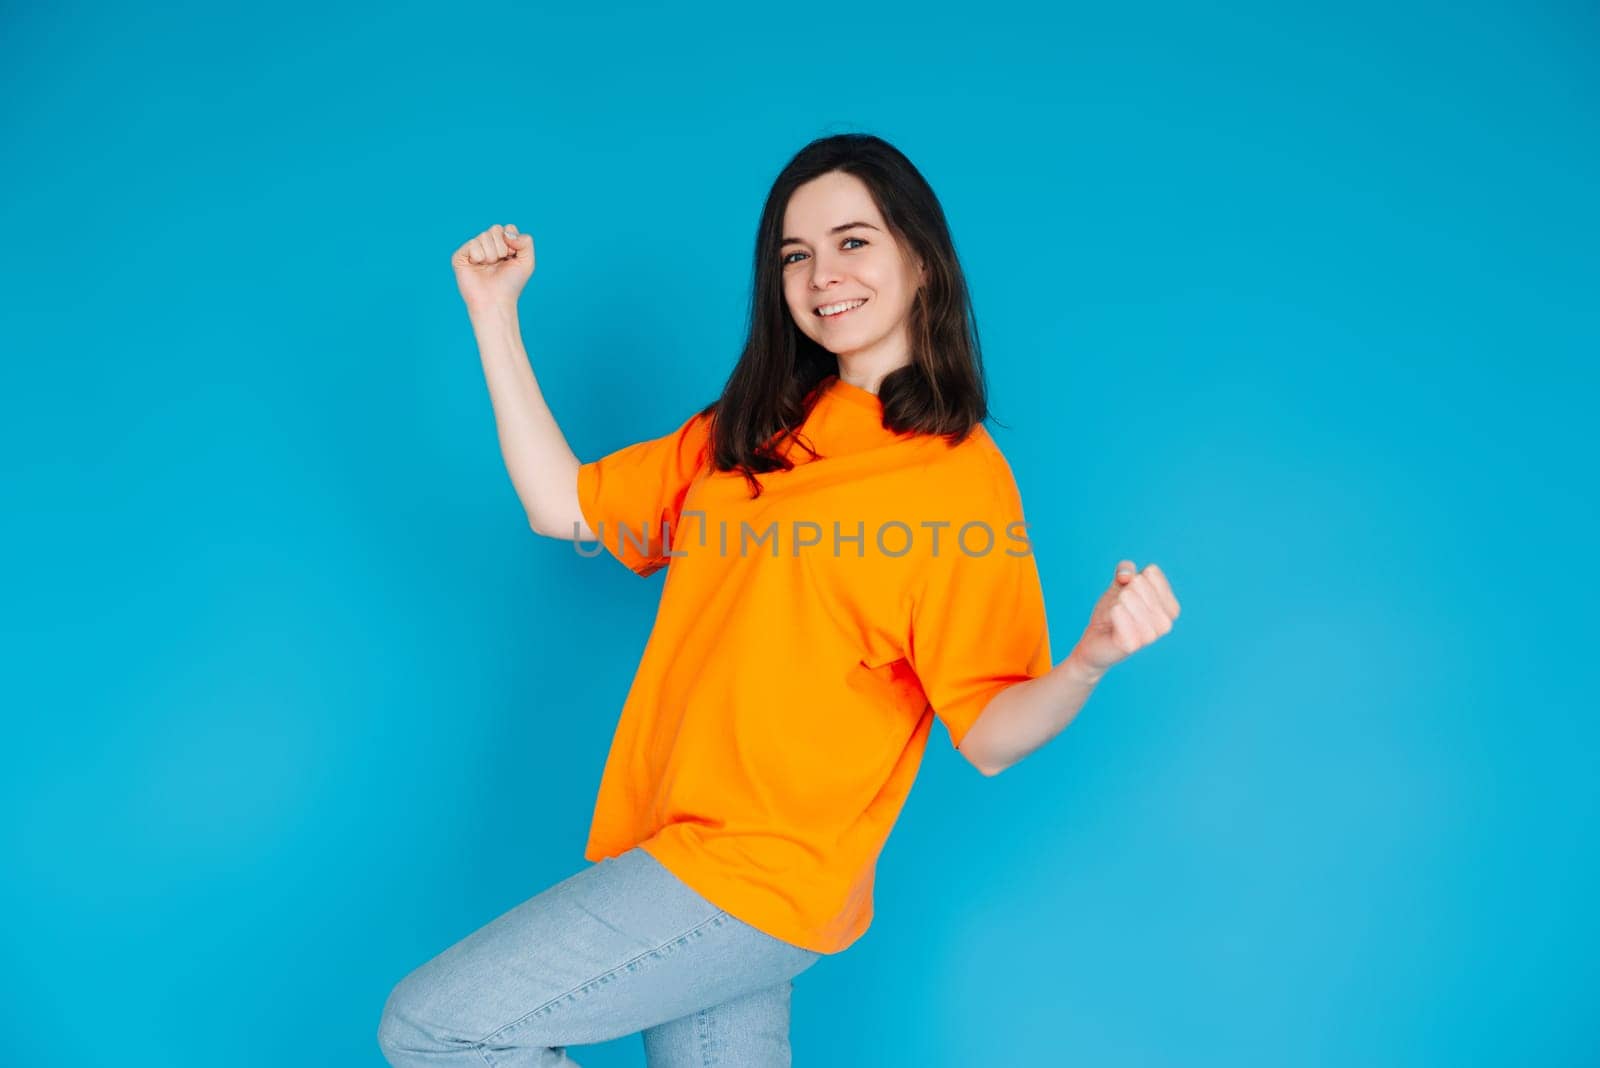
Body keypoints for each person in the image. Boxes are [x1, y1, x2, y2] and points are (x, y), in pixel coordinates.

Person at [378, 133, 1181, 1067]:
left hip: (759, 873)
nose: (821, 275)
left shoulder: (959, 482)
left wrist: (1087, 662)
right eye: (795, 255)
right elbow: (563, 506)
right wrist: (493, 316)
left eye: (853, 241)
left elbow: (990, 733)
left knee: (439, 1026)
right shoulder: (751, 431)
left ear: (920, 257)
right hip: (676, 844)